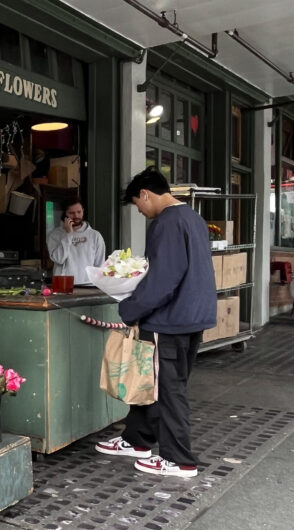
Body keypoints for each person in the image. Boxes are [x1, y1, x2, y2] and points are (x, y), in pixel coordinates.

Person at [95, 168, 216, 478]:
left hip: (170, 320)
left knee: (169, 389)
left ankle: (178, 459)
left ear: (146, 194)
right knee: (153, 382)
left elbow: (164, 280)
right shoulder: (193, 218)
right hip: (193, 315)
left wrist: (130, 308)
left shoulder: (166, 223)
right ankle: (137, 440)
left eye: (138, 204)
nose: (139, 210)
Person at [46, 198, 106, 286]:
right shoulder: (54, 235)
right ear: (65, 213)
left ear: (83, 211)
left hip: (89, 285)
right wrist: (69, 235)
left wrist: (98, 284)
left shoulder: (95, 235)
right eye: (71, 213)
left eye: (79, 212)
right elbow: (59, 259)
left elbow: (99, 265)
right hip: (63, 285)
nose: (76, 216)